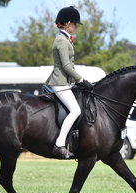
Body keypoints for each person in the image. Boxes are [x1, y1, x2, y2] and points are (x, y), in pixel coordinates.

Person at [45, 6, 92, 159]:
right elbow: (66, 66)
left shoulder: (64, 39)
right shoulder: (61, 41)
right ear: (68, 23)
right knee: (76, 111)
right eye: (75, 24)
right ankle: (59, 144)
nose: (76, 27)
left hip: (66, 82)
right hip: (59, 82)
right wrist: (81, 80)